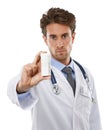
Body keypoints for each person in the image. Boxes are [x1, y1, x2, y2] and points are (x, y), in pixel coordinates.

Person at [7, 7, 102, 130]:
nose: (60, 44)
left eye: (64, 36)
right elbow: (16, 96)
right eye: (53, 37)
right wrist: (22, 87)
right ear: (45, 39)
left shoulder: (86, 75)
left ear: (72, 37)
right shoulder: (36, 73)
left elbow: (94, 120)